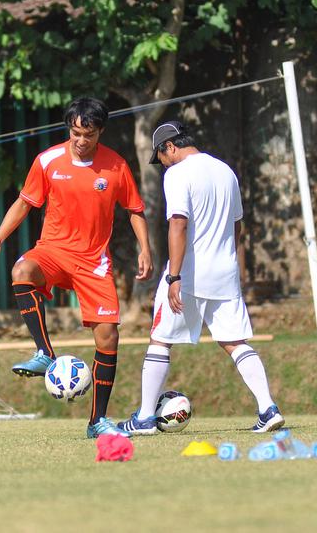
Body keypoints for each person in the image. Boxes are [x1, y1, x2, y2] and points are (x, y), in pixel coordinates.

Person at [0, 97, 153, 438]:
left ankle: (97, 421)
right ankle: (44, 352)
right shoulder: (47, 161)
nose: (80, 140)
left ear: (100, 132)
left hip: (94, 262)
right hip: (54, 251)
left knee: (108, 337)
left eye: (87, 134)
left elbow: (134, 209)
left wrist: (145, 250)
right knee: (22, 271)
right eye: (74, 132)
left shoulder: (116, 166)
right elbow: (24, 202)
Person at [119, 121, 284, 435]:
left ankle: (143, 418)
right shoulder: (226, 171)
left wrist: (175, 277)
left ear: (170, 146)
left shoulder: (178, 173)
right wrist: (238, 269)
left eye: (161, 156)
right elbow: (237, 228)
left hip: (190, 272)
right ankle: (268, 408)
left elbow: (178, 224)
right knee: (235, 341)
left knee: (161, 339)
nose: (162, 163)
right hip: (225, 271)